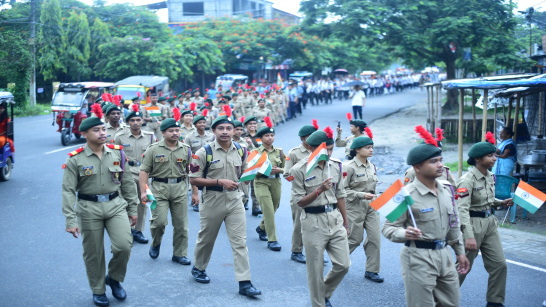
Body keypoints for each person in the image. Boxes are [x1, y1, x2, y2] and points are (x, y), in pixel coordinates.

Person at [62, 105, 138, 307]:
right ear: (84, 133)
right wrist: (70, 219)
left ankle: (114, 278)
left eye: (103, 129)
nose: (102, 133)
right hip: (88, 208)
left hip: (115, 204)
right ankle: (98, 289)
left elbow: (128, 183)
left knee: (124, 245)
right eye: (96, 130)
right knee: (93, 252)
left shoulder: (117, 154)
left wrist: (133, 209)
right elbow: (68, 190)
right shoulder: (75, 159)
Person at [382, 138, 470, 307]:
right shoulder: (405, 195)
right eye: (433, 162)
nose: (440, 165)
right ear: (417, 167)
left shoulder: (446, 190)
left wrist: (459, 251)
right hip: (418, 257)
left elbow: (453, 224)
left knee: (451, 303)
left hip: (444, 255)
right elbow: (388, 227)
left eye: (440, 160)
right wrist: (404, 233)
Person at [189, 115, 262, 297]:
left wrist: (253, 173)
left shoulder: (241, 149)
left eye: (229, 128)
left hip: (235, 200)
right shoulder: (203, 152)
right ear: (213, 131)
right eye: (221, 128)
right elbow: (193, 178)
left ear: (233, 130)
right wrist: (219, 181)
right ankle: (199, 267)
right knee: (207, 238)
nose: (225, 132)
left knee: (240, 242)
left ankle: (245, 282)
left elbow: (246, 171)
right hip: (212, 200)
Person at [290, 127, 350, 307]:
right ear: (311, 148)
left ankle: (323, 293)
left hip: (334, 217)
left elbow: (340, 195)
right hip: (313, 220)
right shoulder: (299, 169)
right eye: (325, 150)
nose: (329, 153)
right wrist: (319, 190)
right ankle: (318, 303)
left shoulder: (337, 165)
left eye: (331, 149)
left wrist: (346, 222)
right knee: (315, 269)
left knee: (343, 265)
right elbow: (300, 202)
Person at [457, 132, 513, 307]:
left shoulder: (489, 175)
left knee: (499, 265)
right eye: (490, 155)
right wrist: (469, 235)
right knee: (463, 267)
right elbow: (462, 208)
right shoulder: (467, 180)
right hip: (472, 225)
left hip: (490, 224)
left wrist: (500, 202)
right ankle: (442, 298)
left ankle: (495, 302)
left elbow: (486, 200)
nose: (495, 158)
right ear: (477, 159)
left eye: (495, 154)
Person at [139, 111, 193, 265]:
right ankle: (156, 243)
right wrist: (143, 191)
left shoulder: (186, 149)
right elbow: (144, 171)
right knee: (159, 222)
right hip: (158, 190)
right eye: (171, 131)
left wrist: (195, 193)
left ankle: (179, 254)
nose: (175, 133)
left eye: (177, 130)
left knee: (182, 225)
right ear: (163, 133)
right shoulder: (153, 149)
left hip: (180, 189)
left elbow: (191, 172)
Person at [343, 133, 384, 283]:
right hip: (354, 206)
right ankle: (339, 263)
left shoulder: (371, 166)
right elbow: (342, 191)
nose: (371, 150)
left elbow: (374, 187)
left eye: (372, 147)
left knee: (375, 238)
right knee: (354, 238)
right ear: (358, 149)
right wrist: (361, 195)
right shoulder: (348, 167)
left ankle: (372, 270)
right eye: (368, 147)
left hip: (372, 205)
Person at [114, 105, 155, 244]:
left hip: (144, 173)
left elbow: (154, 155)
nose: (136, 123)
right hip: (127, 173)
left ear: (142, 121)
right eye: (132, 120)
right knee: (127, 201)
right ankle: (125, 228)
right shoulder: (120, 137)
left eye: (138, 120)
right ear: (128, 122)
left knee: (143, 201)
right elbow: (115, 156)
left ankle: (138, 230)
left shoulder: (150, 137)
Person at [283, 120, 319, 263]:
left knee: (316, 224)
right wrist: (300, 181)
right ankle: (296, 251)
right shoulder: (294, 153)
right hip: (300, 194)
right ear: (303, 138)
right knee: (299, 224)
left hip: (317, 192)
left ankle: (314, 252)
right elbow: (287, 175)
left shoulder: (318, 151)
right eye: (310, 136)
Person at [253, 117, 285, 251]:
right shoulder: (255, 153)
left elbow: (286, 168)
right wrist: (264, 170)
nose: (270, 138)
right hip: (261, 182)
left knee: (274, 207)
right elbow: (251, 171)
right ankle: (272, 240)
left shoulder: (280, 151)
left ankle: (261, 228)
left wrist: (280, 170)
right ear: (261, 138)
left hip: (276, 181)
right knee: (268, 210)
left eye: (272, 135)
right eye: (267, 135)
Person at [185, 114, 215, 212]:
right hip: (195, 161)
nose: (202, 124)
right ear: (195, 124)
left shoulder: (211, 136)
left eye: (203, 122)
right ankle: (196, 202)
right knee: (196, 181)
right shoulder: (189, 137)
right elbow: (187, 151)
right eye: (200, 123)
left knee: (208, 181)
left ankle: (207, 201)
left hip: (209, 162)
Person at [242, 116, 262, 216]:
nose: (253, 126)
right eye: (250, 124)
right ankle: (244, 202)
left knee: (255, 186)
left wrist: (251, 145)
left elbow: (261, 150)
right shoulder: (242, 136)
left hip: (256, 163)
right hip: (245, 163)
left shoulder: (260, 136)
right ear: (246, 126)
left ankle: (256, 207)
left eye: (254, 124)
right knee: (244, 186)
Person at [233, 118, 254, 210]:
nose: (239, 131)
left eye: (241, 130)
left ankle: (245, 200)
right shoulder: (227, 140)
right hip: (231, 168)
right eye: (237, 129)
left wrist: (250, 144)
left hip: (243, 168)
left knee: (245, 187)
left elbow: (253, 154)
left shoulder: (245, 141)